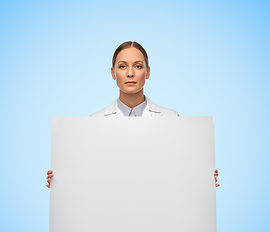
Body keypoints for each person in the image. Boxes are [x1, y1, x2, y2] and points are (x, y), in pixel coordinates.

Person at [46, 41, 220, 187]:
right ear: (113, 73)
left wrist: (203, 178)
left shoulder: (171, 118)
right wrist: (60, 180)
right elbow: (88, 173)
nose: (130, 73)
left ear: (148, 72)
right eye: (122, 66)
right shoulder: (95, 122)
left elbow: (179, 169)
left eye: (138, 66)